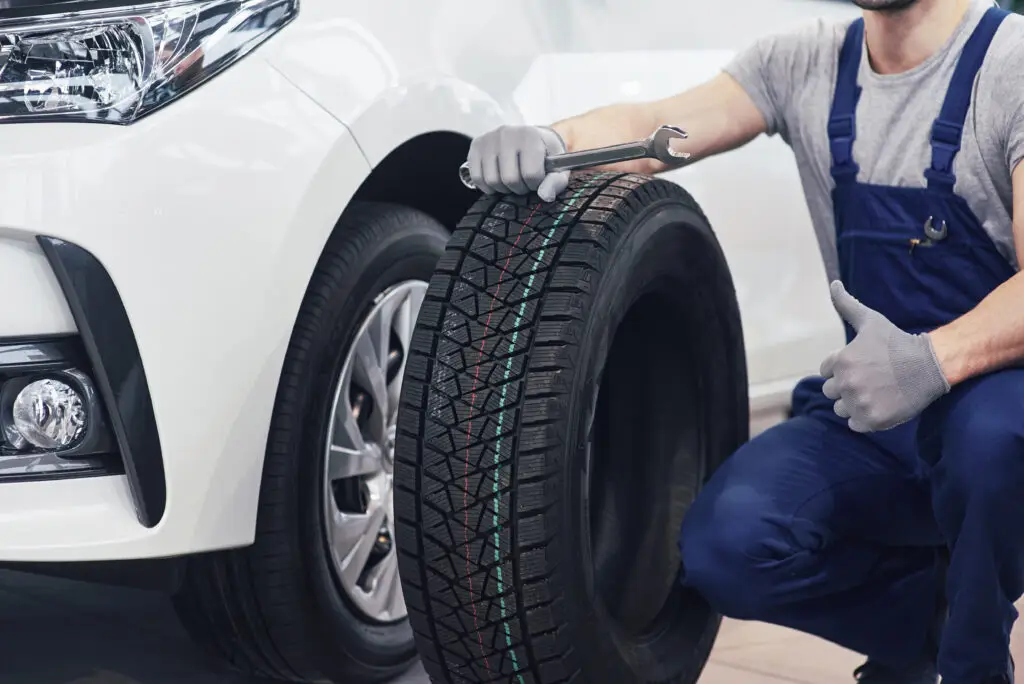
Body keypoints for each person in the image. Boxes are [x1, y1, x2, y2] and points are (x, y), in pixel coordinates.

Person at [462, 1, 1024, 682]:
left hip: (995, 407)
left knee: (991, 444)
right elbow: (654, 129)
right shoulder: (804, 62)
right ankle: (923, 620)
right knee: (727, 549)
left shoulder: (1010, 64)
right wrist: (554, 142)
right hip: (871, 412)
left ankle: (974, 658)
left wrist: (930, 361)